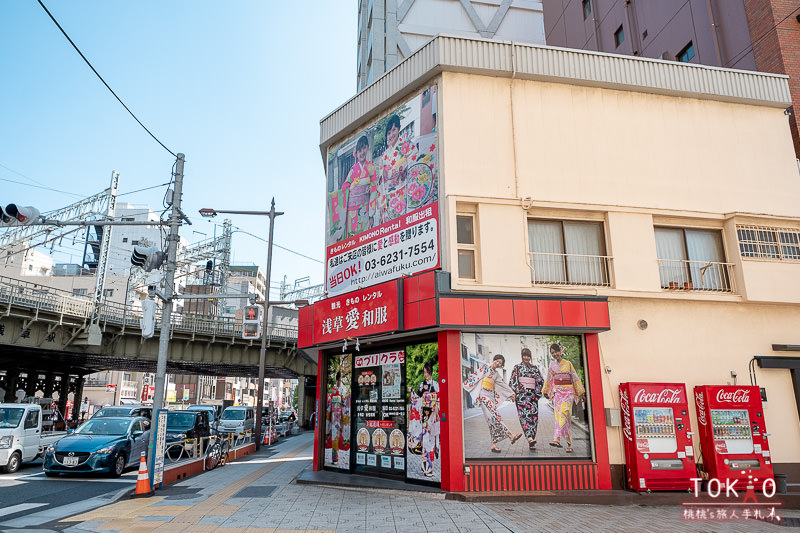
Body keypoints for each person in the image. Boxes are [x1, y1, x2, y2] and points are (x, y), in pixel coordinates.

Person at [462, 354, 523, 453]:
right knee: (496, 416)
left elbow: (503, 384)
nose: (498, 364)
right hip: (483, 394)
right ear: (494, 360)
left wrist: (511, 393)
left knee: (491, 420)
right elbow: (476, 376)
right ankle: (510, 435)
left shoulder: (496, 374)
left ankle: (493, 445)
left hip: (490, 395)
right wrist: (466, 385)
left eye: (500, 363)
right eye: (497, 361)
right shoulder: (485, 367)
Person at [542, 344, 585, 453]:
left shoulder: (568, 364)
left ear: (560, 351)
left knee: (564, 413)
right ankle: (569, 444)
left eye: (556, 351)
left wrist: (580, 392)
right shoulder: (552, 365)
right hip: (558, 394)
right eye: (552, 352)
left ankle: (556, 438)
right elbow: (548, 379)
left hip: (568, 393)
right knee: (561, 417)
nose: (555, 354)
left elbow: (575, 378)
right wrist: (546, 391)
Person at [377, 114, 417, 223]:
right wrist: (382, 203)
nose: (391, 135)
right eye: (389, 133)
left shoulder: (407, 145)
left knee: (406, 223)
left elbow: (415, 164)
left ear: (399, 128)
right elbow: (381, 181)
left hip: (405, 189)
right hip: (389, 198)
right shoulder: (383, 156)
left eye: (394, 130)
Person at [341, 135, 378, 236]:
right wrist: (352, 186)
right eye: (359, 149)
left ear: (367, 148)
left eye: (364, 148)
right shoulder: (353, 170)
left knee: (365, 237)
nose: (362, 152)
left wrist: (371, 214)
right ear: (356, 153)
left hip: (365, 208)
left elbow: (374, 190)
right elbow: (344, 187)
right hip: (352, 210)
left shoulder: (371, 167)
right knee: (354, 239)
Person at [509, 348, 545, 450]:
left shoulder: (535, 368)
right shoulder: (517, 367)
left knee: (533, 418)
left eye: (528, 356)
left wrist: (537, 394)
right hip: (521, 397)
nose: (526, 358)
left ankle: (532, 439)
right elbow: (513, 380)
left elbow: (540, 381)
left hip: (532, 396)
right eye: (524, 355)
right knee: (524, 417)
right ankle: (529, 438)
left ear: (530, 357)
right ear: (522, 356)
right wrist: (513, 393)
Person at [328, 371, 345, 464]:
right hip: (336, 415)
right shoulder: (337, 389)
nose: (340, 381)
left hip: (336, 415)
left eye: (340, 380)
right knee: (335, 435)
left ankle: (336, 458)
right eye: (340, 380)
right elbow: (343, 401)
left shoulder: (335, 390)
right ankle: (334, 458)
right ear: (338, 380)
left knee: (336, 436)